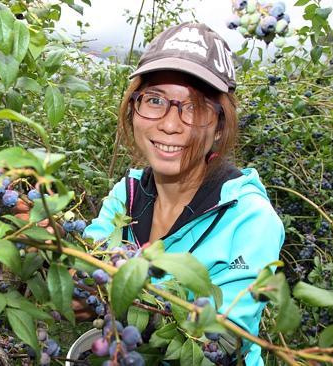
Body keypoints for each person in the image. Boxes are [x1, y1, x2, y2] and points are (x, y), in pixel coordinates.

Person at [78, 22, 285, 365]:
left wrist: (113, 299)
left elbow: (222, 341)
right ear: (133, 109)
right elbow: (89, 259)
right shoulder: (127, 193)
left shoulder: (250, 219)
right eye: (155, 99)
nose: (171, 124)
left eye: (195, 106)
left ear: (220, 126)